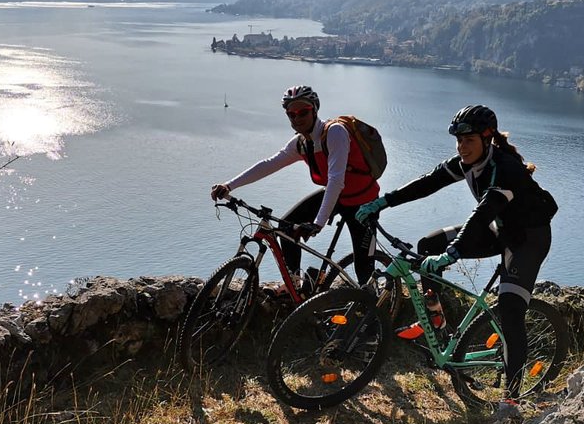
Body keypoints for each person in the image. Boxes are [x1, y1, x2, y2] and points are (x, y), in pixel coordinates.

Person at [356, 104, 557, 407]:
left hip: (527, 240)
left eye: (468, 141)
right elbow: (427, 183)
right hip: (499, 229)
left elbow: (481, 213)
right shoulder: (465, 162)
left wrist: (454, 253)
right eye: (458, 141)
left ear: (487, 139)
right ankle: (435, 317)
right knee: (426, 245)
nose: (462, 147)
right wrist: (383, 202)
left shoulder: (505, 169)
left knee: (510, 311)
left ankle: (512, 401)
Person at [210, 85, 379, 285]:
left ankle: (372, 305)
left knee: (364, 264)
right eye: (291, 114)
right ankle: (294, 284)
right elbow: (269, 164)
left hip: (364, 201)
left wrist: (318, 223)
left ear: (315, 110)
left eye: (303, 112)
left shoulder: (335, 132)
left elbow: (336, 179)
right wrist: (229, 186)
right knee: (285, 227)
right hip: (338, 197)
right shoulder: (301, 143)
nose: (297, 119)